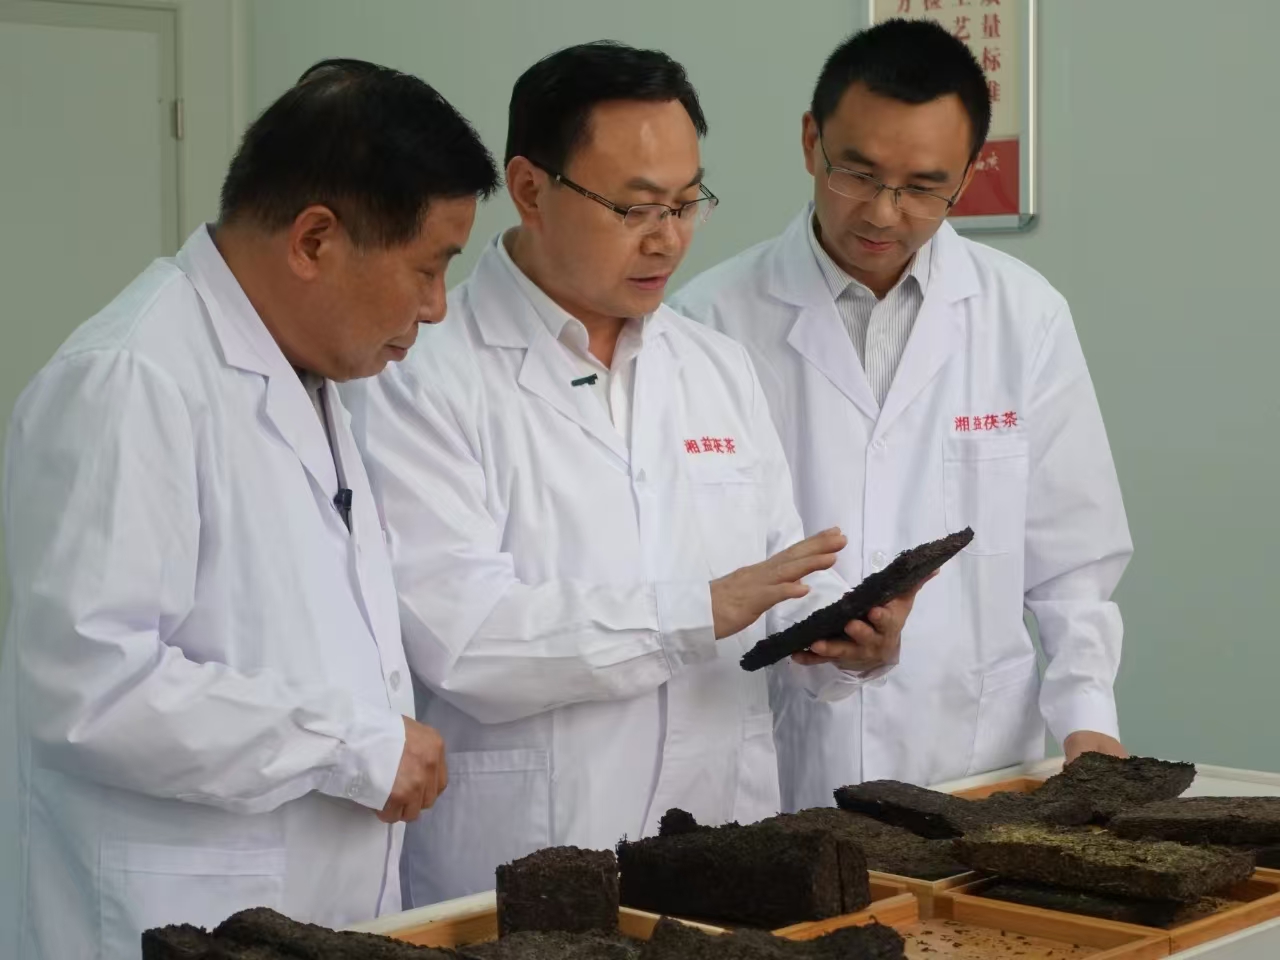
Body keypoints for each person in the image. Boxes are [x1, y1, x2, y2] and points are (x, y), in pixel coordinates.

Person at [343, 41, 922, 907]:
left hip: (725, 845)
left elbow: (772, 582)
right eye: (637, 207)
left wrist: (844, 642)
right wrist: (696, 611)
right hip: (530, 859)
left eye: (688, 204)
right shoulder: (422, 373)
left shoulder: (714, 366)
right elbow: (465, 641)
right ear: (530, 188)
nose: (669, 238)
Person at [0, 60, 498, 959]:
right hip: (172, 917)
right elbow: (91, 687)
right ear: (314, 241)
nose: (436, 308)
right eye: (428, 268)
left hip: (309, 906)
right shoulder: (131, 381)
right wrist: (352, 744)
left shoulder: (309, 371)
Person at [672, 19, 1133, 812]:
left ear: (969, 174)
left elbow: (1074, 562)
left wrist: (1088, 720)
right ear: (811, 142)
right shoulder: (706, 321)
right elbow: (695, 565)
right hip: (784, 758)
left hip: (974, 757)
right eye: (857, 173)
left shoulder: (1024, 316)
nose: (884, 213)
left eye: (923, 187)